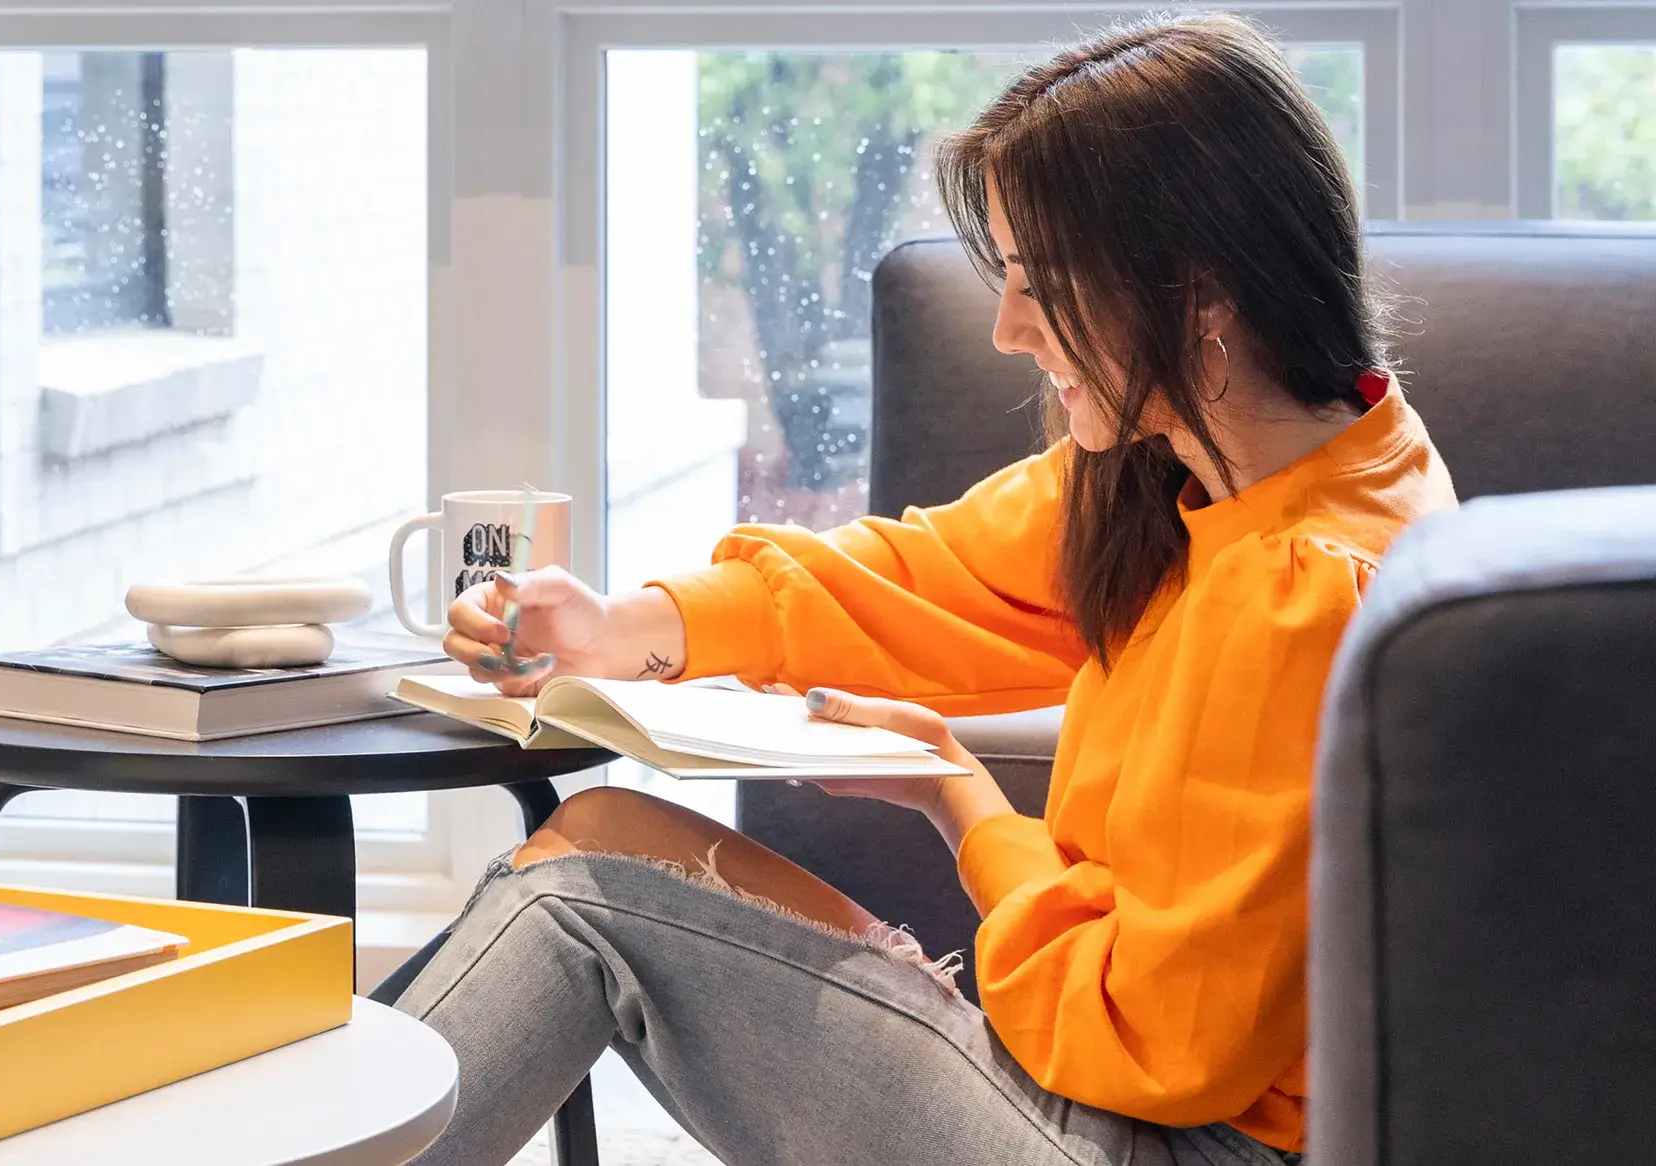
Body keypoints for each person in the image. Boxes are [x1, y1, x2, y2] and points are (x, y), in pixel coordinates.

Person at [382, 13, 1456, 1165]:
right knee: (593, 834)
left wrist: (961, 801)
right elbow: (915, 575)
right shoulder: (1216, 469)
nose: (1006, 329)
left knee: (575, 905)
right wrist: (621, 626)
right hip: (1121, 1096)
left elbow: (1148, 1044)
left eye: (1041, 287)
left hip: (1169, 1139)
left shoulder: (1298, 592)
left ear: (1200, 297)